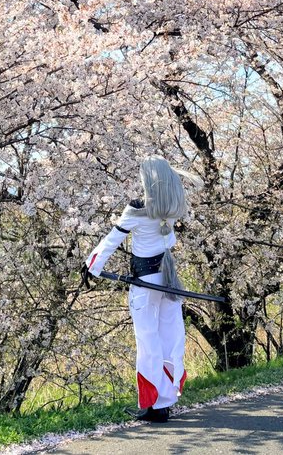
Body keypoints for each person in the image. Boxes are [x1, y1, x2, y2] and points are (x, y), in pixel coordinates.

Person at [82, 157, 190, 423]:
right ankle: (164, 402)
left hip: (145, 283)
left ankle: (152, 405)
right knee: (169, 337)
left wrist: (91, 265)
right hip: (169, 281)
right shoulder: (174, 206)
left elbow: (113, 238)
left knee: (148, 341)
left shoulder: (138, 209)